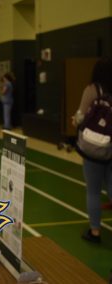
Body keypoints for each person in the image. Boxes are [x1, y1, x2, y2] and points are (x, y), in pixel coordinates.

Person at [72, 57, 112, 243]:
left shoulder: (92, 90)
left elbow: (80, 117)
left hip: (94, 147)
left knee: (93, 191)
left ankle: (95, 232)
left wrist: (76, 121)